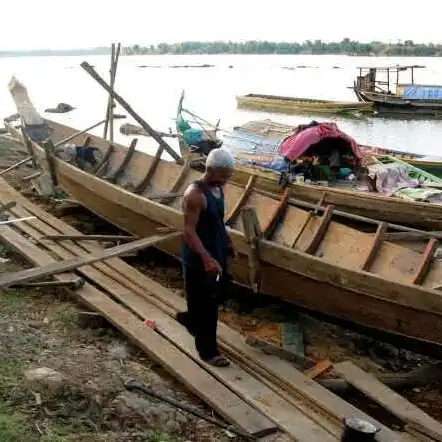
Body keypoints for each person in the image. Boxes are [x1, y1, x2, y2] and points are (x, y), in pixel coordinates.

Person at [177, 148, 236, 367]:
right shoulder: (195, 195)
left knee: (217, 293)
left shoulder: (219, 190)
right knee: (206, 304)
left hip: (217, 249)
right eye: (222, 175)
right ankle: (208, 352)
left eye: (228, 176)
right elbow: (189, 231)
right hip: (198, 256)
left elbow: (218, 221)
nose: (226, 180)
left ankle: (190, 319)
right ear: (210, 170)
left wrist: (229, 241)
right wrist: (205, 258)